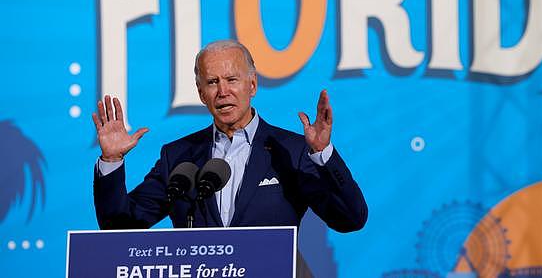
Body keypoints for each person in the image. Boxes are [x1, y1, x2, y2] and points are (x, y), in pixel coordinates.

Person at [92, 40, 368, 233]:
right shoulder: (177, 157)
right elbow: (120, 227)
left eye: (231, 80)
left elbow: (350, 219)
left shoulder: (291, 151)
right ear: (201, 94)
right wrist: (112, 161)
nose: (222, 91)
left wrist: (323, 155)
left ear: (252, 85)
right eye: (212, 82)